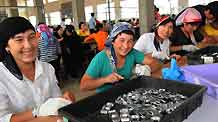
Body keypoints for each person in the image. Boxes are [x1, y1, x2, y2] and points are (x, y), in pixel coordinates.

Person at [0, 17, 75, 122]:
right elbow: (2, 118)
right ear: (6, 46)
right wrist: (38, 112)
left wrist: (63, 100)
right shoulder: (2, 76)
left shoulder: (47, 68)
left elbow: (55, 101)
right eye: (19, 39)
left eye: (31, 37)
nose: (28, 45)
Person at [80, 22, 160, 93]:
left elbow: (155, 63)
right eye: (122, 40)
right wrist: (105, 79)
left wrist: (147, 69)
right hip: (105, 97)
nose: (126, 46)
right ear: (113, 41)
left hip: (125, 94)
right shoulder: (101, 58)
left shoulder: (132, 53)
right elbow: (84, 85)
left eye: (130, 41)